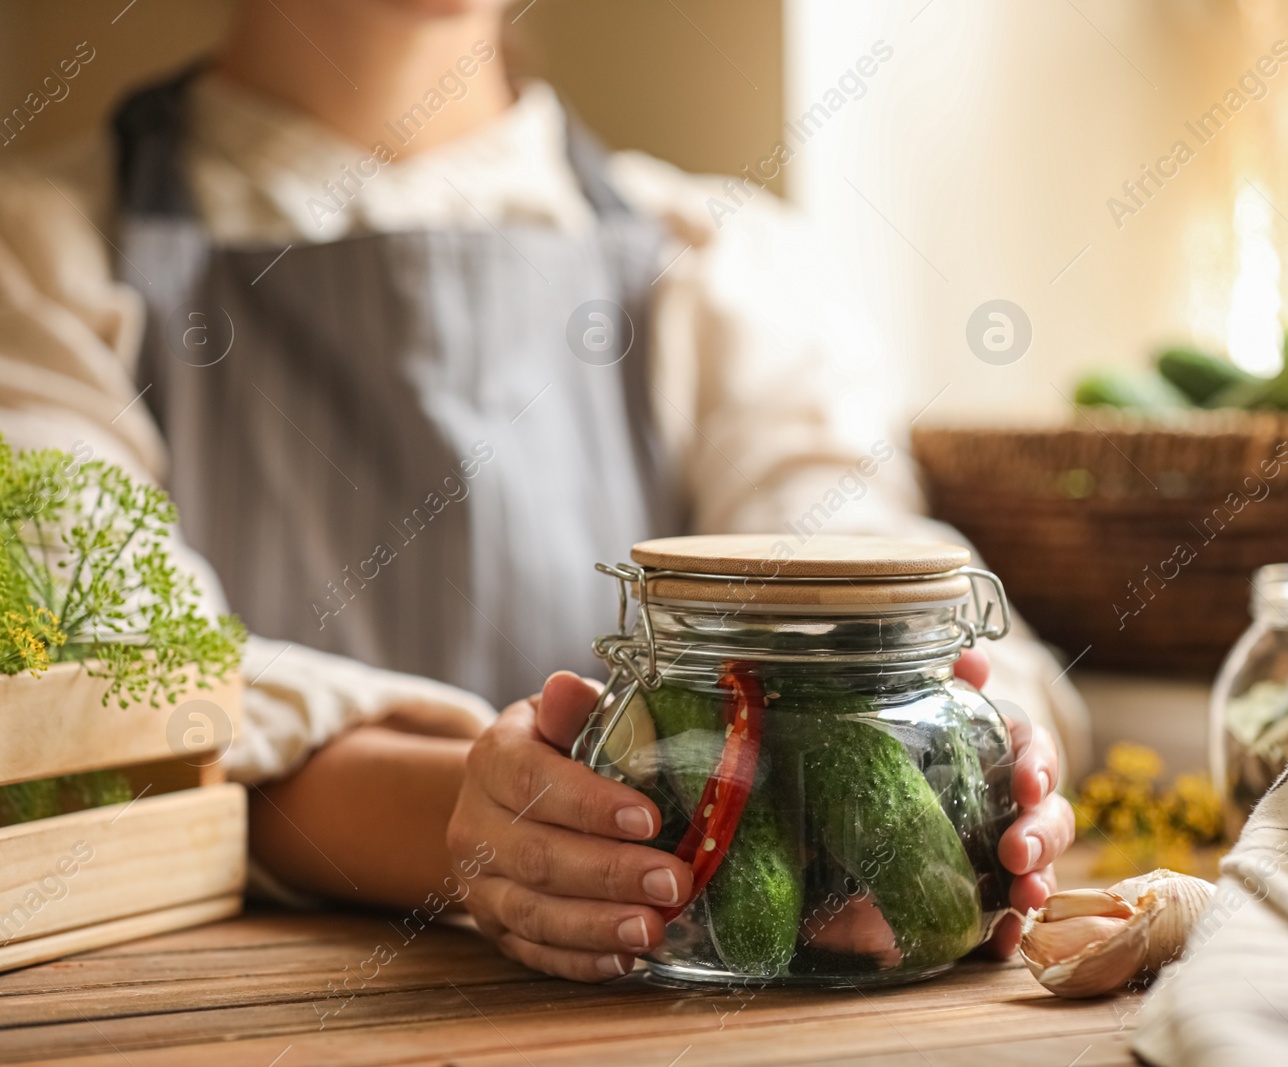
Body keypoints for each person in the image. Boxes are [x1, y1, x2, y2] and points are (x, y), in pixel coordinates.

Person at [0, 0, 1085, 980]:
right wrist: (471, 826)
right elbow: (114, 691)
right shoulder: (36, 256)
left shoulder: (720, 259)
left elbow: (870, 556)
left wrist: (968, 752)